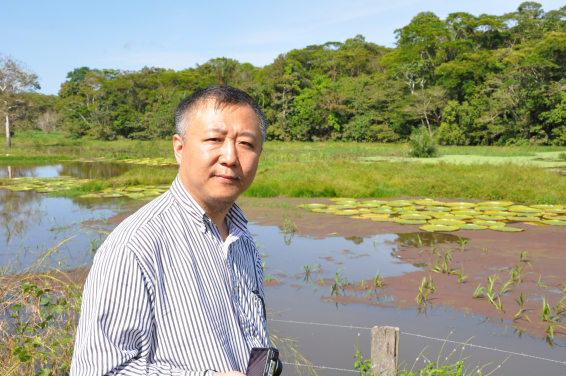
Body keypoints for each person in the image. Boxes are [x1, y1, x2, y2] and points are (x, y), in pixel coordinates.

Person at [71, 85, 270, 376]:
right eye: (214, 139)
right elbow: (99, 371)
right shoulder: (134, 247)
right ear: (179, 147)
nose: (230, 157)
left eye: (247, 144)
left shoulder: (241, 238)